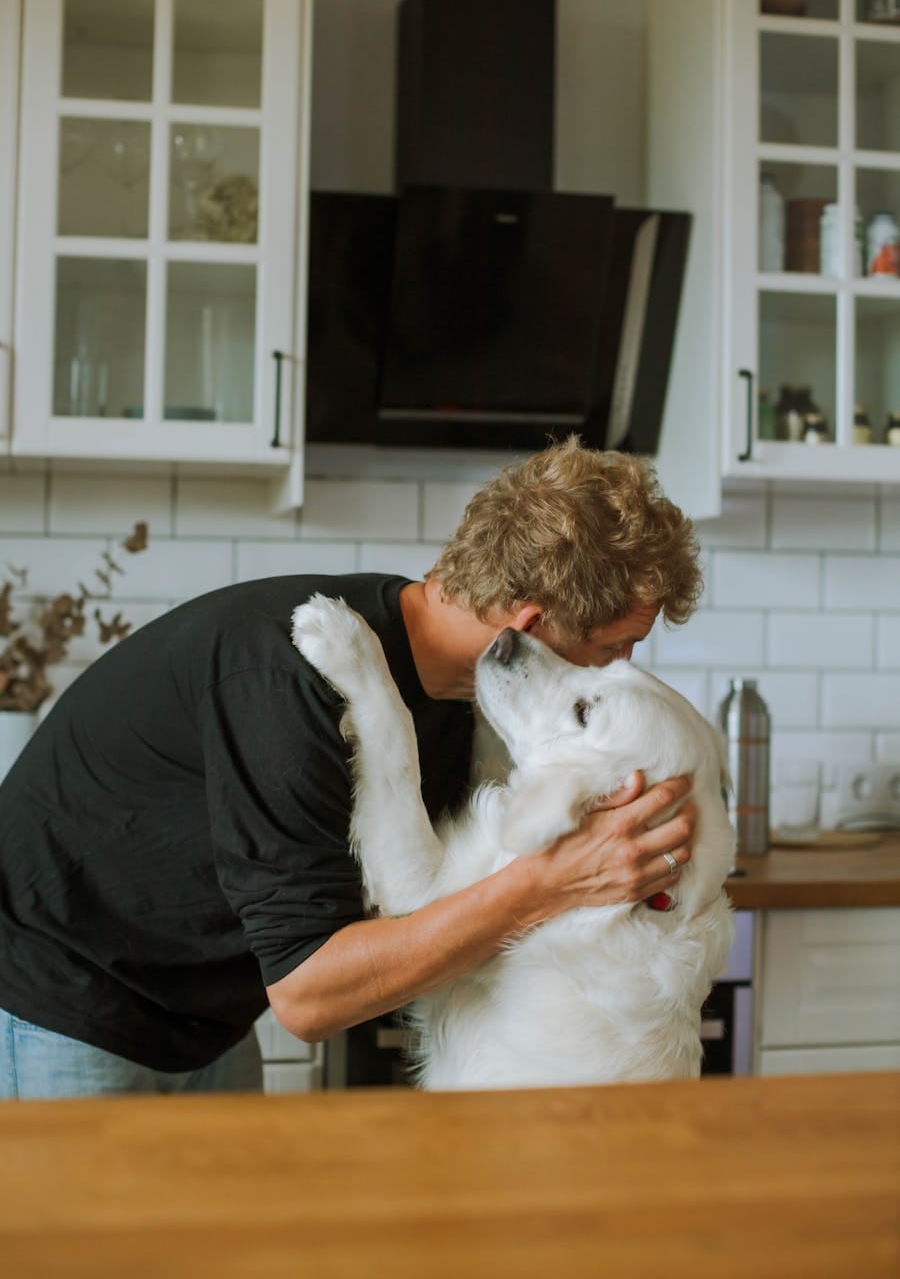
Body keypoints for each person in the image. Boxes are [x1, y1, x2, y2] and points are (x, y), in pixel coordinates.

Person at [0, 437, 703, 1099]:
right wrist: (549, 886)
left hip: (203, 1019)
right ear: (525, 631)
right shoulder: (290, 675)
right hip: (61, 1004)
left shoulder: (467, 697)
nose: (621, 674)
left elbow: (412, 910)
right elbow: (309, 996)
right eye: (618, 649)